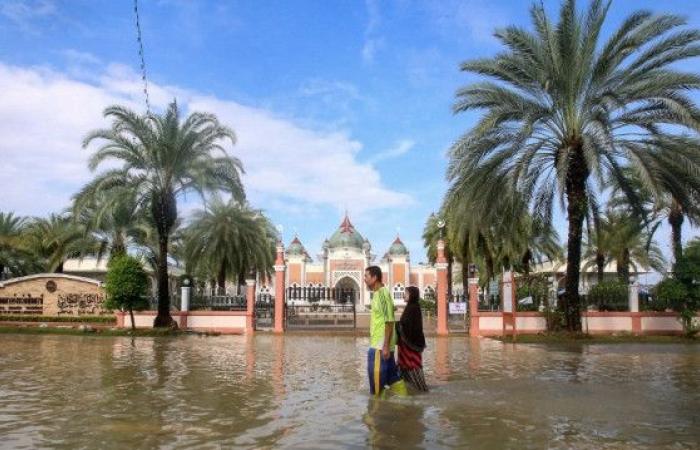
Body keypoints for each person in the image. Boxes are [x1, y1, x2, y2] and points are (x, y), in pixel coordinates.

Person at [363, 266, 407, 397]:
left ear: (374, 277)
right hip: (382, 344)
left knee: (376, 384)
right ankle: (404, 403)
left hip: (379, 346)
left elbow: (389, 320)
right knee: (392, 377)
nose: (364, 279)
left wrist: (386, 346)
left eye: (366, 276)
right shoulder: (377, 294)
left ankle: (375, 412)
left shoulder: (382, 293)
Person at [397, 286, 428, 391]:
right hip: (408, 345)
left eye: (406, 293)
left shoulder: (413, 307)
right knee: (405, 368)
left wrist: (398, 326)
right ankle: (408, 390)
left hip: (411, 345)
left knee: (413, 367)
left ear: (412, 295)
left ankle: (420, 390)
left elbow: (410, 326)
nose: (403, 295)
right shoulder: (411, 307)